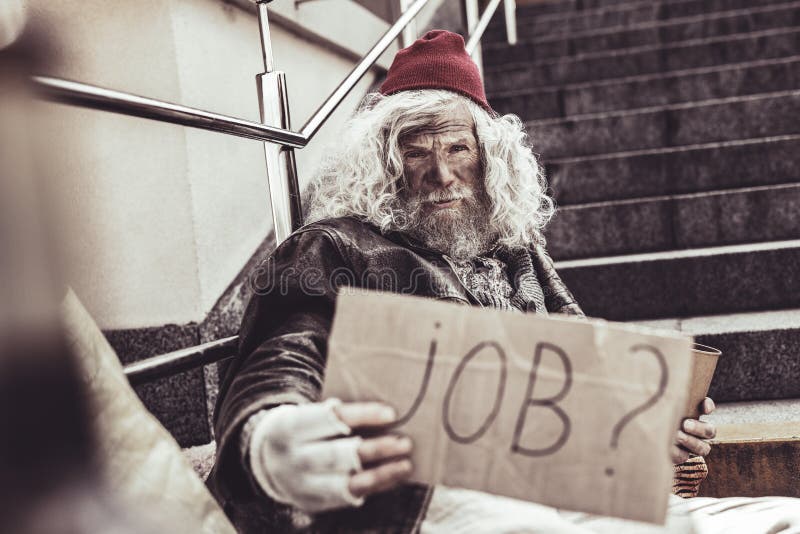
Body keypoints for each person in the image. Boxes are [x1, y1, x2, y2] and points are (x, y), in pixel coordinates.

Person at [208, 30, 798, 533]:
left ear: (487, 154)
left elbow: (578, 381)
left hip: (569, 497)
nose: (440, 174)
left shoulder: (517, 249)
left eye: (457, 148)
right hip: (438, 505)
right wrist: (269, 438)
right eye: (416, 153)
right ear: (386, 163)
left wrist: (652, 431)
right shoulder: (336, 246)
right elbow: (285, 352)